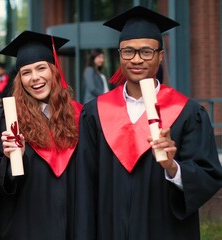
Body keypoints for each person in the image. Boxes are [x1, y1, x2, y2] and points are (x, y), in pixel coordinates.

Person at [74, 6, 222, 240]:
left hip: (166, 230)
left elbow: (209, 176)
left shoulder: (186, 113)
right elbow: (83, 184)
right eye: (128, 52)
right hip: (108, 230)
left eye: (146, 52)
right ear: (119, 54)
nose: (136, 59)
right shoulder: (95, 113)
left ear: (160, 56)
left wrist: (173, 168)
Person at [0, 30, 82, 240]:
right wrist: (12, 160)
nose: (35, 78)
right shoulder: (7, 120)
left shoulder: (80, 116)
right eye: (26, 72)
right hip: (24, 228)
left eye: (41, 68)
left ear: (54, 71)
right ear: (19, 79)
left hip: (72, 224)